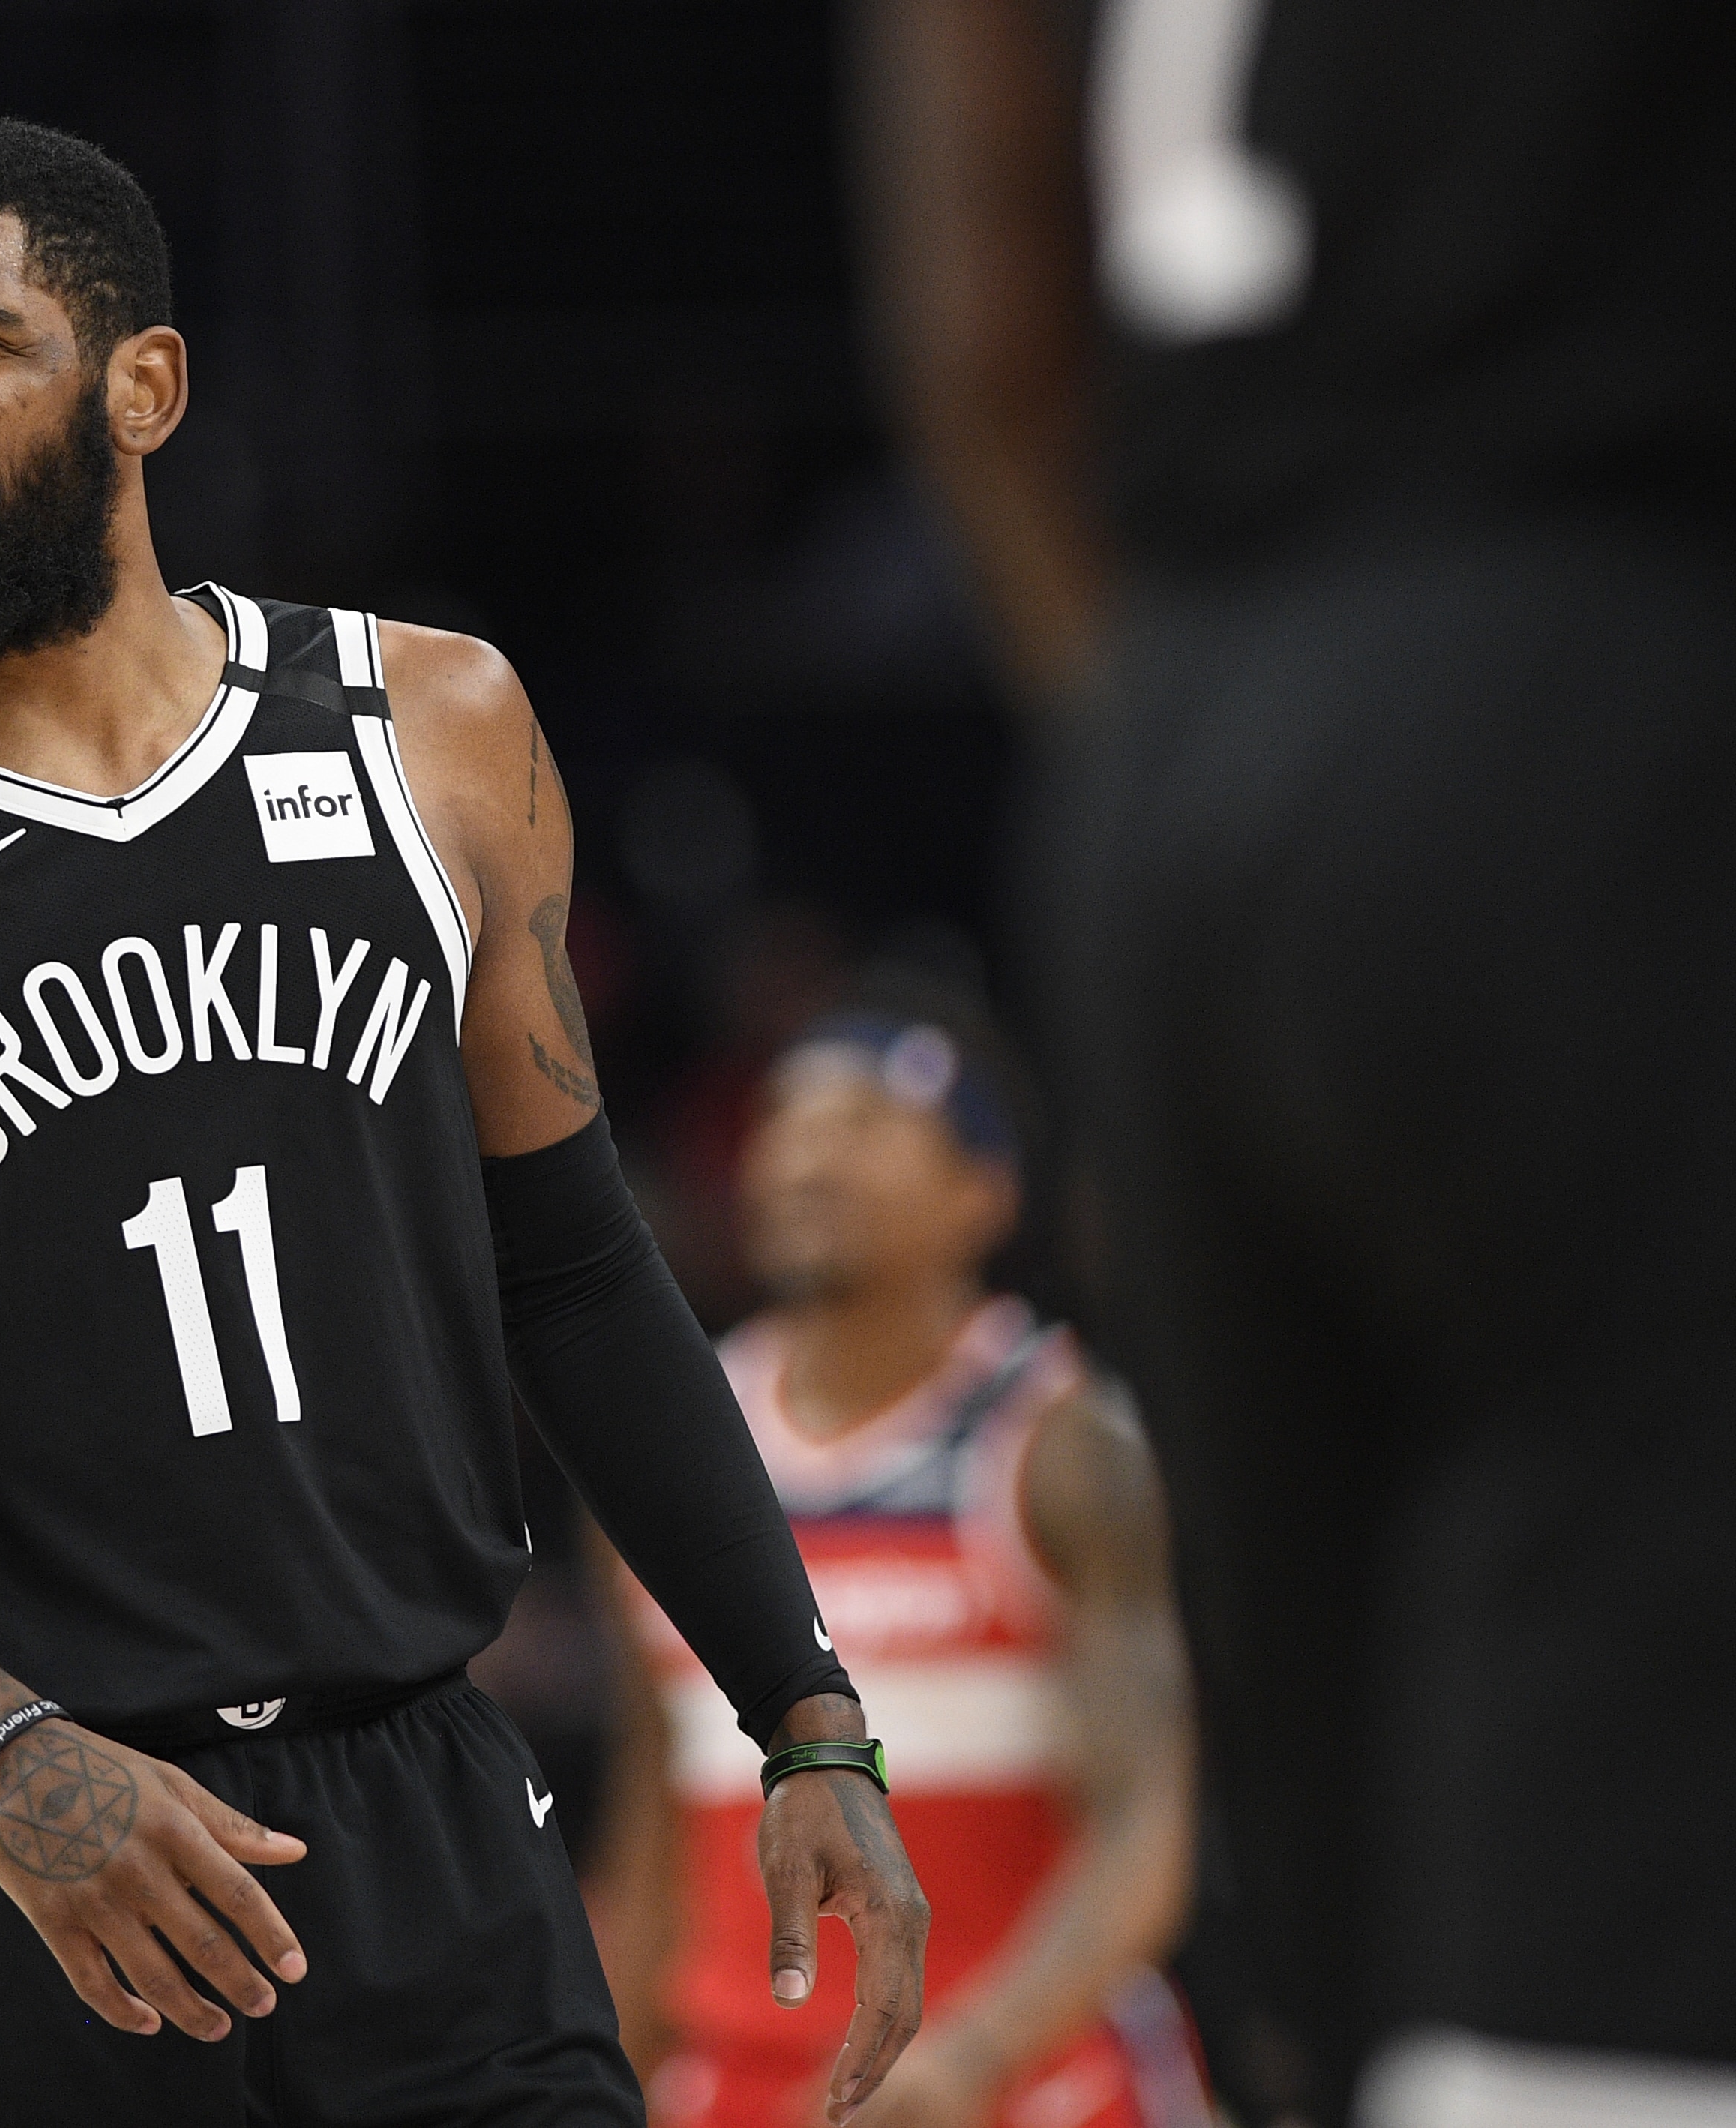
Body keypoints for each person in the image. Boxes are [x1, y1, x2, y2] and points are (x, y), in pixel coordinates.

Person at [0, 115, 929, 2128]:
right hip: (23, 1842)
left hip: (430, 1812)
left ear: (145, 384)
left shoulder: (429, 728)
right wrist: (3, 1753)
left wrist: (802, 1709)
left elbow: (571, 1269)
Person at [857, 2, 1736, 2121]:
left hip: (1170, 756)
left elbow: (982, 313)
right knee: (1620, 1978)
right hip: (1602, 676)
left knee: (1369, 1953)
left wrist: (1168, 753)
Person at [590, 995, 1210, 2128]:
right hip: (740, 2083)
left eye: (865, 1122)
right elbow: (650, 1825)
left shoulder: (1062, 1446)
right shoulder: (666, 1449)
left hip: (1014, 2076)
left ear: (984, 1192)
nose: (810, 1153)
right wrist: (607, 2070)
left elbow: (1149, 1820)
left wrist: (975, 2057)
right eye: (786, 1120)